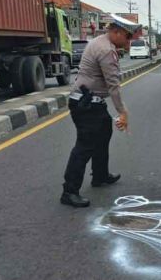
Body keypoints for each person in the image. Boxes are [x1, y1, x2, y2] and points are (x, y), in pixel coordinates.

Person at [61, 15, 141, 208]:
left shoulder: (100, 42)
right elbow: (113, 85)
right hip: (87, 104)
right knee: (84, 146)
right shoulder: (106, 50)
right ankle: (69, 191)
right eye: (127, 37)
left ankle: (100, 175)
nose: (129, 42)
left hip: (92, 102)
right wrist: (123, 113)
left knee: (104, 132)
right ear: (116, 32)